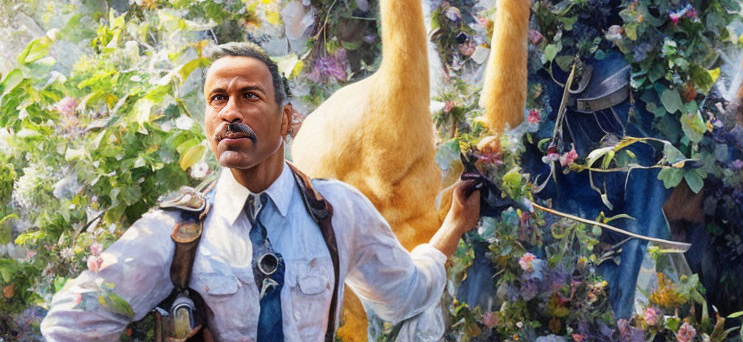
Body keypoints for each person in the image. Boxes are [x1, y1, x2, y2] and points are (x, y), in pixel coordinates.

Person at [41, 42, 481, 341]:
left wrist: (453, 229)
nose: (230, 112)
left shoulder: (339, 211)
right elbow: (69, 321)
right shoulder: (177, 230)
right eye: (217, 100)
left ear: (287, 118)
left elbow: (403, 293)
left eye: (249, 95)